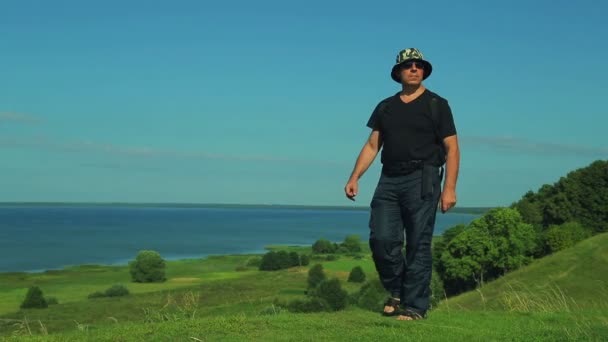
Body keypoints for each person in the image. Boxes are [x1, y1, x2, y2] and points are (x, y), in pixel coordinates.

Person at [344, 48, 460, 321]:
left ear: (423, 71)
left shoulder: (436, 104)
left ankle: (415, 307)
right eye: (408, 65)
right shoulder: (386, 106)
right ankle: (397, 291)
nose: (414, 69)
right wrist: (354, 176)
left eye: (418, 65)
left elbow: (452, 148)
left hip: (424, 178)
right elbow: (373, 146)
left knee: (418, 244)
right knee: (382, 239)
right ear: (398, 72)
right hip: (389, 179)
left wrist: (450, 188)